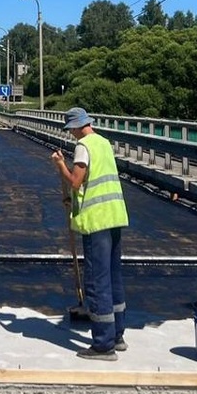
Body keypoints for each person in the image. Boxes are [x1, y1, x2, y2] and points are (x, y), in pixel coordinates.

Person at [50, 107, 129, 361]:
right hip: (115, 215)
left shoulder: (83, 146)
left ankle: (103, 344)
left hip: (96, 221)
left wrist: (61, 165)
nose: (71, 134)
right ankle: (117, 335)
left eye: (71, 129)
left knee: (97, 281)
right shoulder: (104, 143)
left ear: (76, 127)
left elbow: (76, 181)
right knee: (114, 277)